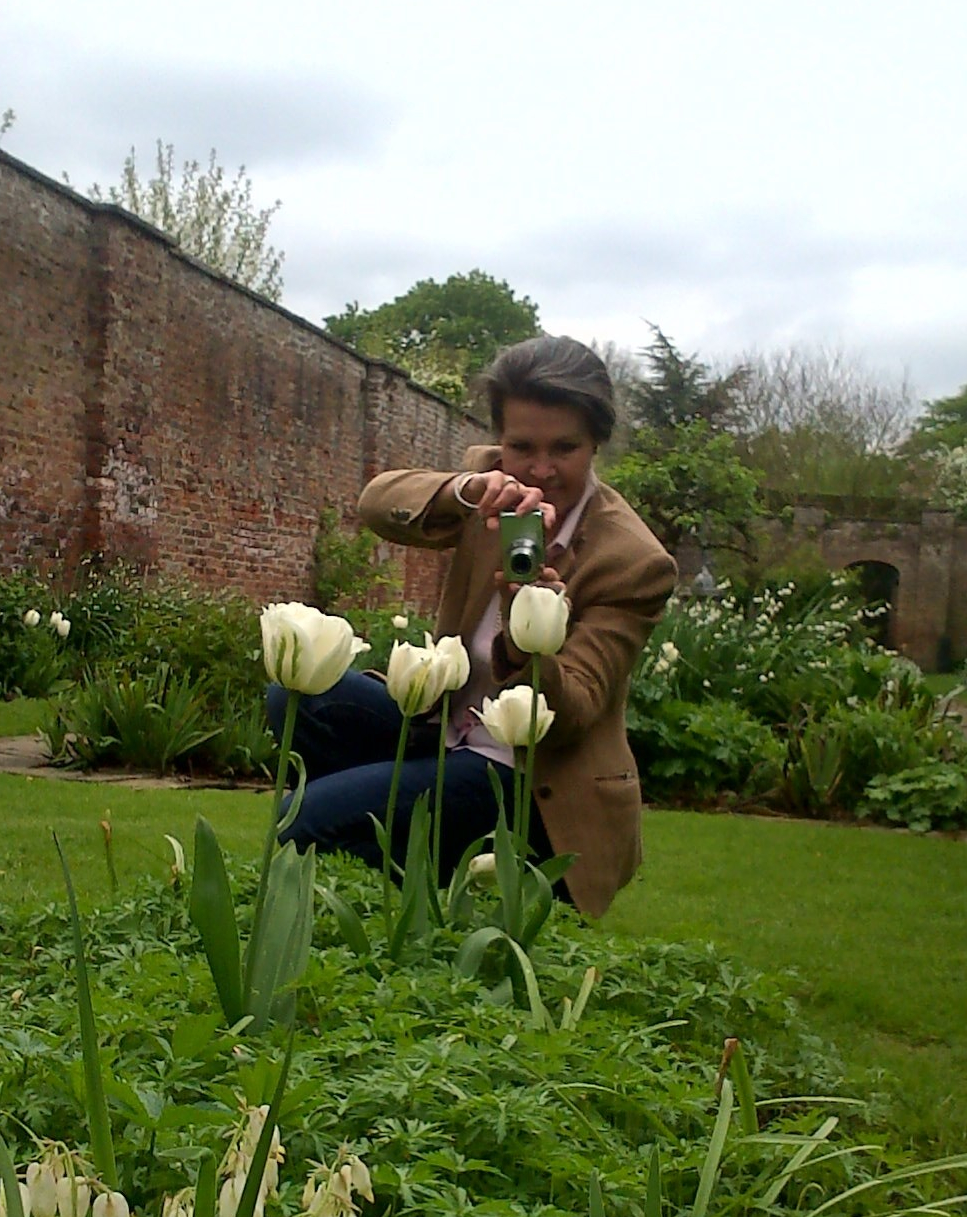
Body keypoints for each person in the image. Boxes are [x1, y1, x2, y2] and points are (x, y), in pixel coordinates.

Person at [268, 335, 677, 917]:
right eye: (520, 446)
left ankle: (381, 849)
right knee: (293, 697)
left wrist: (529, 625)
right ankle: (399, 854)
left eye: (565, 447)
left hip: (529, 779)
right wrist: (467, 493)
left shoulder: (631, 560)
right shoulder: (494, 488)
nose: (540, 468)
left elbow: (574, 711)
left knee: (303, 822)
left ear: (596, 442)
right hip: (444, 730)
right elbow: (376, 503)